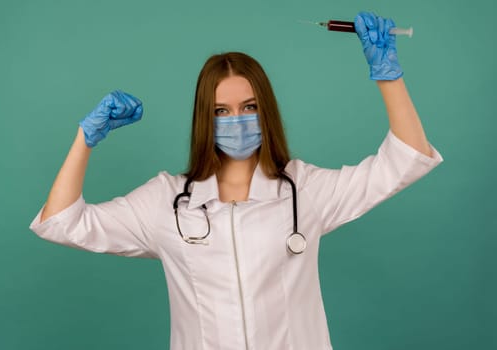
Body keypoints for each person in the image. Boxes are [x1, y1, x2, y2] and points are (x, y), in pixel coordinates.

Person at [30, 11, 443, 350]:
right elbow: (62, 221)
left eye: (248, 106)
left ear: (266, 110)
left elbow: (404, 161)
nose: (237, 120)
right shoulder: (167, 202)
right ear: (204, 120)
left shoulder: (305, 191)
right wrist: (84, 139)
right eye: (221, 111)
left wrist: (387, 74)